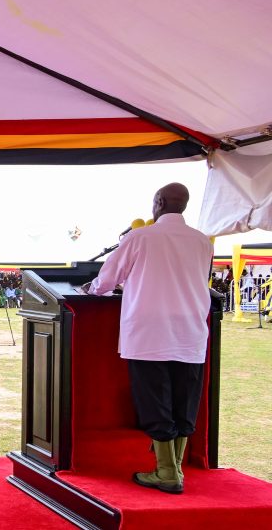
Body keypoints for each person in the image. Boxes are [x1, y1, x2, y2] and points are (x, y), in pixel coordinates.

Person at [81, 183, 213, 494]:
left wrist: (92, 289)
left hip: (149, 332)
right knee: (184, 401)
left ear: (159, 202)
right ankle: (176, 467)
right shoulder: (202, 241)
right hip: (191, 331)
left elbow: (108, 278)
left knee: (155, 401)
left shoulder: (139, 236)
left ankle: (166, 472)